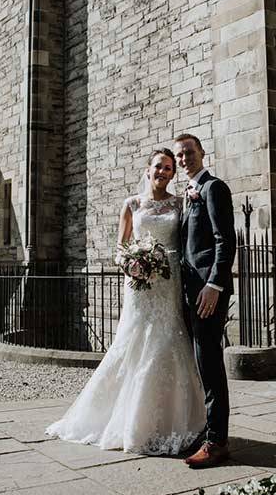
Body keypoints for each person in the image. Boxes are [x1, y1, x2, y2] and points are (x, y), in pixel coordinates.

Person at [45, 149, 206, 455]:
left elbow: (186, 242)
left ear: (173, 174)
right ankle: (129, 421)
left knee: (169, 340)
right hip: (141, 285)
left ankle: (175, 420)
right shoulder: (131, 204)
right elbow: (120, 248)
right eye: (159, 166)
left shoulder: (179, 203)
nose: (163, 172)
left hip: (170, 282)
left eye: (169, 169)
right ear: (148, 169)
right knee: (134, 343)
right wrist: (134, 264)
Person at [173, 133, 236, 468]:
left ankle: (217, 442)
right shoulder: (187, 196)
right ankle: (205, 429)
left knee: (210, 365)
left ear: (202, 153)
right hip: (188, 291)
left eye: (189, 153)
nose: (184, 159)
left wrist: (214, 284)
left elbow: (225, 242)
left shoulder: (213, 188)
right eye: (180, 155)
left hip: (207, 294)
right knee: (199, 364)